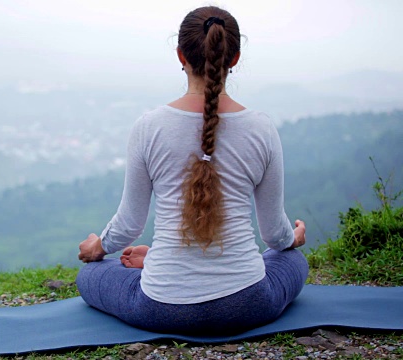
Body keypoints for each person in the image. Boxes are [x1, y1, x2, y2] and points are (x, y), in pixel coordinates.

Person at [76, 6, 309, 334]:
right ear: (235, 58)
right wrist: (293, 238)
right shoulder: (261, 129)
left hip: (161, 307)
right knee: (293, 259)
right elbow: (274, 235)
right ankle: (161, 260)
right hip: (250, 303)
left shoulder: (149, 127)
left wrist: (96, 246)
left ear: (180, 55)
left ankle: (160, 263)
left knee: (89, 275)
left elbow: (129, 225)